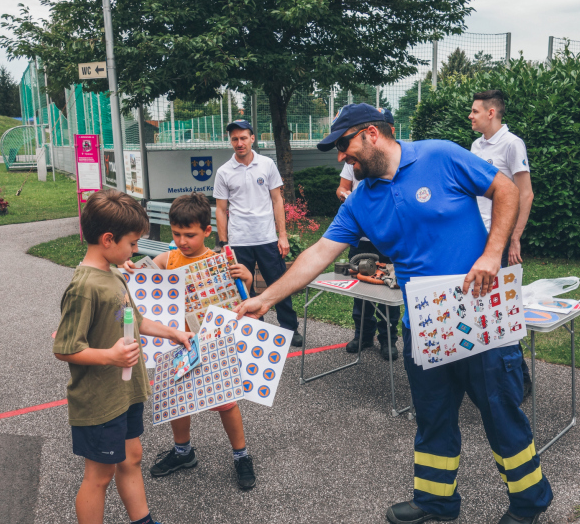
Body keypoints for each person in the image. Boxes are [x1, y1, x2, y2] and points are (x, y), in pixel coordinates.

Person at [235, 104, 553, 524]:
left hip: (480, 316)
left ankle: (530, 501)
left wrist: (493, 254)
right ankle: (437, 501)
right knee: (433, 416)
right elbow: (317, 254)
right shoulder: (360, 201)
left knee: (501, 412)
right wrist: (267, 298)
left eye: (344, 146)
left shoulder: (440, 155)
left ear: (370, 134)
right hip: (423, 325)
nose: (341, 158)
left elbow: (506, 189)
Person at [53, 189, 194, 524]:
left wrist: (174, 333)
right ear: (107, 239)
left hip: (126, 393)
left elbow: (137, 320)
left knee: (132, 457)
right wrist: (111, 355)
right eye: (132, 243)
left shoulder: (114, 274)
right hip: (100, 401)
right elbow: (65, 347)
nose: (135, 250)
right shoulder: (84, 287)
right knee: (99, 476)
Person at [120, 192, 258, 489]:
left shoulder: (219, 261)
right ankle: (183, 451)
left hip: (211, 342)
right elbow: (140, 281)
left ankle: (241, 454)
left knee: (225, 402)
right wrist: (129, 269)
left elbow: (244, 297)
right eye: (177, 233)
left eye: (190, 235)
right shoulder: (167, 258)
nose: (182, 241)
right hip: (175, 342)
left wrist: (246, 277)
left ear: (207, 231)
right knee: (178, 401)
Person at [213, 120, 304, 349]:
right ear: (231, 141)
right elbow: (221, 210)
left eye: (243, 138)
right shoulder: (224, 171)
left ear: (252, 138)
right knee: (245, 289)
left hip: (266, 238)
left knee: (278, 285)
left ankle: (289, 329)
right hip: (239, 240)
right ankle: (255, 329)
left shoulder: (267, 164)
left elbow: (277, 200)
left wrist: (282, 235)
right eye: (234, 139)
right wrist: (224, 244)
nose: (239, 143)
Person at [469, 89, 535, 399]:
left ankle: (518, 376)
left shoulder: (512, 144)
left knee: (502, 308)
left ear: (491, 113)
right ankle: (484, 374)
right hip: (474, 238)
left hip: (499, 240)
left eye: (475, 111)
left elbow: (525, 194)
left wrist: (514, 238)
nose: (470, 116)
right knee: (476, 304)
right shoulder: (475, 145)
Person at [336, 108, 400, 360]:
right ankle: (362, 335)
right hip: (361, 240)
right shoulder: (353, 162)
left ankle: (388, 339)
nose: (342, 156)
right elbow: (342, 189)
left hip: (388, 241)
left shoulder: (396, 166)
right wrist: (347, 197)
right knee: (360, 290)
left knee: (388, 291)